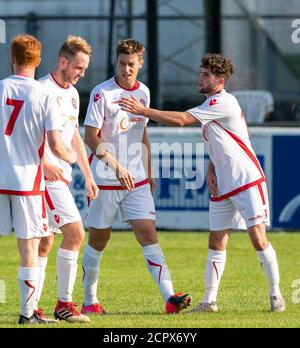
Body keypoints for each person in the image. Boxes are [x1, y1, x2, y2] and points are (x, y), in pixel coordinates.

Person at [116, 53, 286, 313]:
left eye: (206, 75)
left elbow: (182, 120)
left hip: (246, 180)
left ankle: (276, 295)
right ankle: (209, 302)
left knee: (258, 238)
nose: (200, 78)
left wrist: (143, 111)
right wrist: (212, 169)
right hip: (224, 184)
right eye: (201, 73)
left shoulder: (222, 101)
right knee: (216, 240)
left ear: (219, 80)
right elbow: (225, 140)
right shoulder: (212, 103)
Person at [81, 39, 192, 315]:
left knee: (148, 233)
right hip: (107, 178)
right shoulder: (101, 93)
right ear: (116, 62)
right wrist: (117, 166)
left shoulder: (143, 92)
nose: (126, 69)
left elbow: (142, 131)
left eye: (131, 64)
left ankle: (170, 298)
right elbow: (90, 138)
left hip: (137, 179)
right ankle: (89, 301)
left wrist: (148, 169)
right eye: (121, 63)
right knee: (99, 239)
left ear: (140, 63)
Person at [0, 34, 77, 324]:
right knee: (29, 247)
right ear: (39, 60)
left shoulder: (0, 88)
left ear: (13, 58)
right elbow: (57, 145)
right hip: (26, 182)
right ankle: (27, 313)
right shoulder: (43, 94)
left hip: (0, 177)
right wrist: (70, 157)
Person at [33, 36, 99, 323]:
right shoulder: (40, 91)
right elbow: (26, 135)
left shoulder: (72, 93)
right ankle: (65, 303)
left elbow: (72, 133)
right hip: (46, 177)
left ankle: (31, 308)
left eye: (84, 69)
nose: (81, 74)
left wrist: (87, 174)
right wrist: (45, 162)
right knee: (75, 233)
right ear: (63, 62)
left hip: (62, 176)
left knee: (45, 241)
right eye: (79, 67)